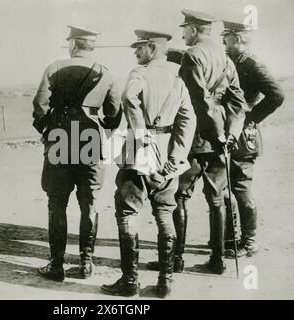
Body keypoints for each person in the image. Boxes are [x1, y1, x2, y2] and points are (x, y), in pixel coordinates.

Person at [101, 30, 196, 298]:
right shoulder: (178, 80)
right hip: (168, 155)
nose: (135, 52)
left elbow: (128, 97)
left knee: (128, 212)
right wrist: (177, 157)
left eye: (140, 47)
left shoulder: (139, 73)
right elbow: (188, 121)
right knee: (165, 213)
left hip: (139, 153)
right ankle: (165, 283)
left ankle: (130, 282)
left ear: (153, 48)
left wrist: (142, 135)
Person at [32, 25, 122, 281]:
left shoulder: (54, 68)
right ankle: (86, 263)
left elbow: (39, 105)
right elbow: (114, 112)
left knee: (57, 203)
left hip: (60, 136)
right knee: (89, 203)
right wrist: (101, 129)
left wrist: (47, 129)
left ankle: (56, 265)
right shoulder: (106, 72)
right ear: (91, 46)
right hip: (90, 138)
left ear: (73, 44)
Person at [170, 9, 246, 275]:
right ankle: (217, 260)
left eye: (185, 30)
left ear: (193, 29)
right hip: (221, 137)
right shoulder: (225, 58)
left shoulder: (192, 55)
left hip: (197, 135)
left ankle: (175, 260)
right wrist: (230, 134)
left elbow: (200, 101)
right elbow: (238, 102)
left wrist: (216, 134)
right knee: (217, 198)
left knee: (179, 195)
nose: (183, 34)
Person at [221, 20, 285, 257]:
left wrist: (250, 117)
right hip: (233, 130)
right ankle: (230, 239)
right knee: (228, 184)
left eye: (226, 38)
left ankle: (248, 241)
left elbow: (277, 95)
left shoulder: (252, 63)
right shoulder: (235, 62)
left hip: (243, 135)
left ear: (237, 38)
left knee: (241, 186)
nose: (223, 43)